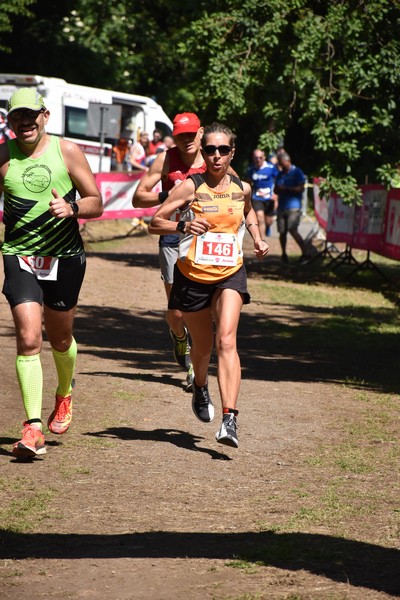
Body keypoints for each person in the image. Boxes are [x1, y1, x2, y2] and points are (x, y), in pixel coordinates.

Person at [149, 123, 269, 448]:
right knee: (203, 349)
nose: (216, 156)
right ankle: (200, 386)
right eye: (210, 150)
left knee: (226, 341)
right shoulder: (191, 186)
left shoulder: (240, 187)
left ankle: (230, 419)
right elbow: (154, 222)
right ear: (203, 152)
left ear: (233, 152)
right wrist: (183, 224)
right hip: (193, 276)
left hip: (230, 272)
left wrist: (257, 237)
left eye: (223, 150)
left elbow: (249, 212)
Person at [0, 88, 103, 459]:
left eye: (31, 115)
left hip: (65, 257)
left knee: (60, 339)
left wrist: (73, 207)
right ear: (9, 121)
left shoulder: (67, 151)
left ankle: (64, 394)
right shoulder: (3, 155)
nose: (24, 122)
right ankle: (32, 428)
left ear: (45, 116)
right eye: (16, 117)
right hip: (20, 255)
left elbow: (97, 202)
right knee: (28, 339)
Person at [133, 113, 206, 390]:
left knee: (199, 308)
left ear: (200, 134)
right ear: (175, 137)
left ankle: (192, 368)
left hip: (203, 238)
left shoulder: (212, 157)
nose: (187, 140)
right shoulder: (165, 159)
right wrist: (169, 195)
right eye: (181, 135)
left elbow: (235, 188)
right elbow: (138, 197)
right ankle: (179, 337)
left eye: (191, 134)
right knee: (177, 311)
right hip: (172, 234)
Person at [274, 152, 309, 263]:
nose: (280, 165)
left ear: (287, 161)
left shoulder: (297, 172)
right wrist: (279, 189)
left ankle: (305, 253)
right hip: (282, 207)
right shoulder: (280, 174)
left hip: (294, 207)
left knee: (293, 230)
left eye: (281, 163)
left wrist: (287, 189)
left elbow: (301, 188)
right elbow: (275, 189)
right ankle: (284, 254)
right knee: (282, 232)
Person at [246, 149, 279, 239]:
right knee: (260, 218)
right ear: (253, 158)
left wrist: (276, 194)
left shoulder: (271, 168)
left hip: (269, 198)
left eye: (260, 158)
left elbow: (279, 180)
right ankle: (262, 240)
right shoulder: (251, 169)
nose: (258, 160)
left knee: (269, 221)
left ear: (264, 158)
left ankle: (268, 226)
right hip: (257, 197)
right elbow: (248, 182)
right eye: (256, 158)